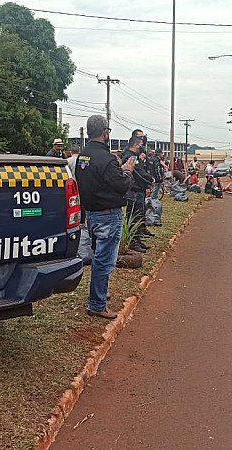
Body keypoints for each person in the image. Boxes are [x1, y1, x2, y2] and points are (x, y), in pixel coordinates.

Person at [75, 115, 135, 319]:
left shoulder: (83, 156)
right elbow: (122, 185)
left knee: (98, 258)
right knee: (104, 261)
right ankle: (97, 304)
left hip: (91, 214)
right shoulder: (107, 159)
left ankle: (100, 293)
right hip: (108, 216)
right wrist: (126, 171)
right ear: (105, 132)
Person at [121, 136, 154, 253]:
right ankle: (133, 242)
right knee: (134, 217)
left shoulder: (134, 156)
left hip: (138, 190)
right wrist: (150, 180)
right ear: (135, 145)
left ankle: (137, 239)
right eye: (141, 145)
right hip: (133, 191)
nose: (142, 148)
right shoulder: (129, 157)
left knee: (139, 216)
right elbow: (137, 174)